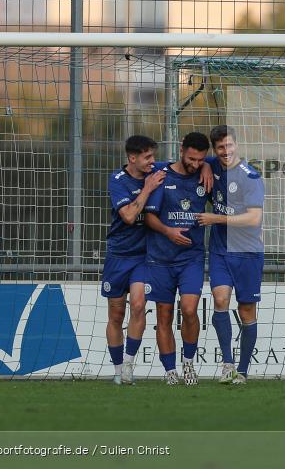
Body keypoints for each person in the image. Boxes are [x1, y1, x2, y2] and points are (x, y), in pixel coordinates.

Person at [197, 125, 266, 385]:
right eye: (220, 148)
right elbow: (189, 160)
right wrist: (205, 165)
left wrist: (216, 217)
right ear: (215, 150)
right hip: (220, 250)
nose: (226, 151)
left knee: (247, 310)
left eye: (230, 146)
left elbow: (254, 218)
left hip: (247, 252)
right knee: (220, 297)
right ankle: (227, 364)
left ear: (237, 145)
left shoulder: (250, 176)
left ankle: (243, 371)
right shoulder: (212, 165)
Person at [144, 132, 211, 386]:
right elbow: (149, 218)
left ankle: (189, 363)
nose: (195, 164)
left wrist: (206, 165)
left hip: (191, 257)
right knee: (164, 315)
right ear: (181, 149)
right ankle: (170, 370)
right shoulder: (161, 173)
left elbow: (222, 160)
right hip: (160, 257)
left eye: (200, 160)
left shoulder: (206, 171)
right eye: (192, 158)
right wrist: (168, 231)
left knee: (190, 310)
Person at [103, 135, 165, 384]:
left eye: (153, 156)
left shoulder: (158, 169)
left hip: (144, 256)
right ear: (132, 158)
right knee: (116, 315)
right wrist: (148, 188)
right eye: (148, 157)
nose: (153, 161)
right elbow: (128, 216)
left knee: (139, 305)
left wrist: (204, 166)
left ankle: (128, 364)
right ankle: (118, 371)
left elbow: (184, 164)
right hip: (118, 255)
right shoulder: (117, 181)